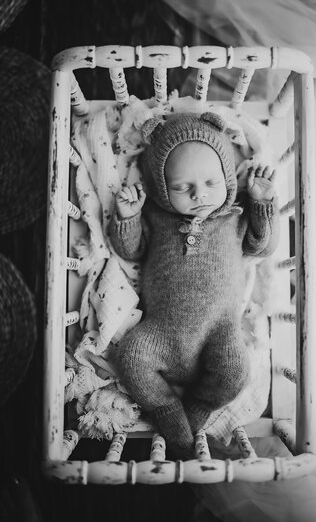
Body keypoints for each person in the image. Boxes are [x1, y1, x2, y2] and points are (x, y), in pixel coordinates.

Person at [110, 111, 280, 458]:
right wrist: (128, 218)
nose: (199, 195)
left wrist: (262, 204)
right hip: (160, 331)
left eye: (210, 183)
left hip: (219, 331)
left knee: (236, 371)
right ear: (161, 187)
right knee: (130, 357)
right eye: (181, 187)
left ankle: (200, 404)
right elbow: (131, 250)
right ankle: (166, 408)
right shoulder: (157, 217)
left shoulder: (234, 215)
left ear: (228, 179)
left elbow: (262, 246)